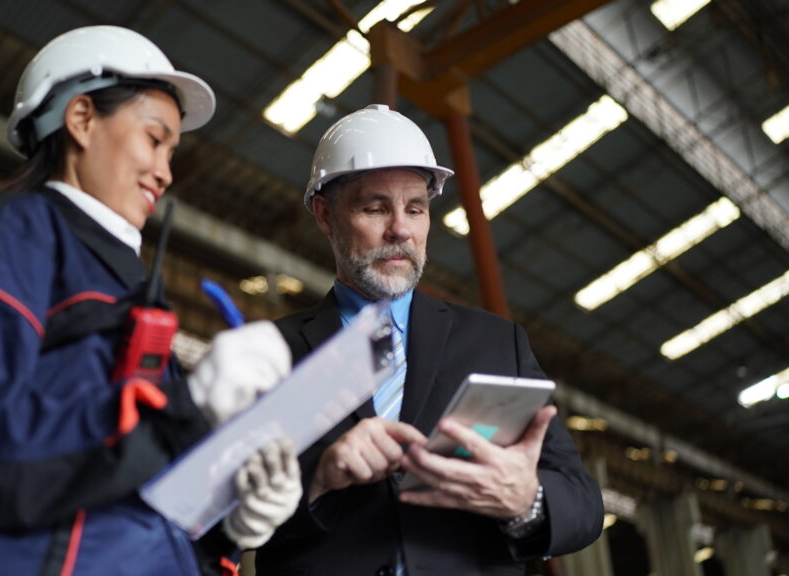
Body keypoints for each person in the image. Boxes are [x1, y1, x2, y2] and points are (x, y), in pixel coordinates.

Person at [0, 26, 301, 576]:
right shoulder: (9, 237)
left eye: (172, 152)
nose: (166, 172)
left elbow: (130, 496)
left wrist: (228, 513)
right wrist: (180, 416)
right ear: (81, 119)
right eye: (154, 139)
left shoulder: (127, 291)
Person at [253, 104, 604, 576]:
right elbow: (218, 513)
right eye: (375, 207)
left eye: (415, 208)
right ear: (324, 214)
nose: (400, 229)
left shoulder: (498, 345)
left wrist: (528, 500)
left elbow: (583, 504)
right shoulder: (269, 355)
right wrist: (317, 479)